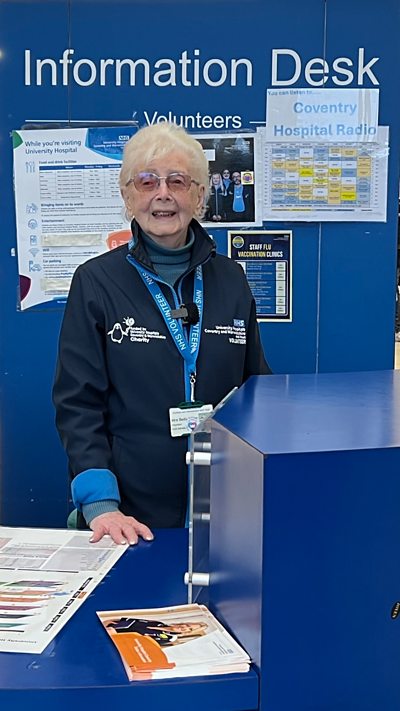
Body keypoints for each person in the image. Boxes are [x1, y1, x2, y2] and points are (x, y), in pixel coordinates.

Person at [53, 122, 271, 546]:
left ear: (200, 195)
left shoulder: (231, 280)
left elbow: (255, 390)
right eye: (147, 181)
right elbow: (77, 402)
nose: (163, 194)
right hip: (130, 515)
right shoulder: (96, 281)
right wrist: (102, 505)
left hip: (227, 502)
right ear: (128, 195)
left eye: (177, 181)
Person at [105, 618, 208, 646]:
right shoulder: (159, 623)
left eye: (189, 629)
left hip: (115, 639)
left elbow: (141, 643)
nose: (185, 627)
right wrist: (107, 622)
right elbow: (126, 620)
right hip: (107, 628)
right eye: (188, 625)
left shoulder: (168, 638)